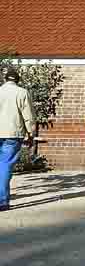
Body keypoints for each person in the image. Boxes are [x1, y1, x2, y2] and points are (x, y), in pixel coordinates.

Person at [0, 69, 35, 212]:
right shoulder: (22, 93)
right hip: (13, 133)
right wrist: (30, 133)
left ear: (5, 79)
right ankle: (2, 201)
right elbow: (28, 116)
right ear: (17, 80)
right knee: (5, 166)